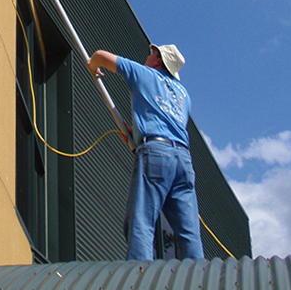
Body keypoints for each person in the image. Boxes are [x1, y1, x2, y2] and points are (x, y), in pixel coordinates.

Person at [87, 43, 204, 261]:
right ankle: (200, 278)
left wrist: (93, 67)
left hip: (156, 154)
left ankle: (139, 277)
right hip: (183, 160)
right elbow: (167, 122)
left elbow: (99, 55)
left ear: (159, 60)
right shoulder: (183, 95)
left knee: (140, 221)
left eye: (152, 54)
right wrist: (137, 133)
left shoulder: (146, 74)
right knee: (189, 233)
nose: (147, 57)